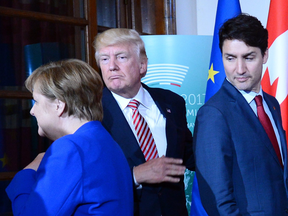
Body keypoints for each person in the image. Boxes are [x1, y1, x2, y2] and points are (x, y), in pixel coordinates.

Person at [6, 59, 133, 216]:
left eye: (36, 102)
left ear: (59, 105)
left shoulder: (71, 148)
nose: (32, 111)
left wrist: (28, 171)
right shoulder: (106, 141)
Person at [194, 14, 288, 215]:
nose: (240, 69)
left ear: (265, 55)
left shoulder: (271, 105)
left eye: (248, 57)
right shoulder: (213, 114)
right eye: (230, 58)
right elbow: (217, 200)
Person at [93, 28, 195, 216]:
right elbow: (87, 178)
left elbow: (189, 153)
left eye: (121, 57)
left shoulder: (173, 102)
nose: (112, 66)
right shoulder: (92, 112)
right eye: (105, 59)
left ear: (142, 65)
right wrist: (135, 175)